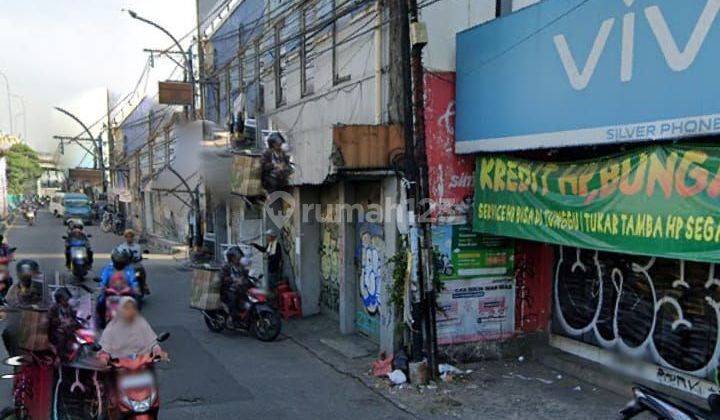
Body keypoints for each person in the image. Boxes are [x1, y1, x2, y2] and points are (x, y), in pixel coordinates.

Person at [98, 297, 165, 360]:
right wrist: (104, 356)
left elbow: (151, 342)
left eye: (132, 308)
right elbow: (105, 347)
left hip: (141, 361)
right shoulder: (112, 327)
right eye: (126, 308)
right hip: (119, 363)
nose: (130, 311)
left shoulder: (141, 324)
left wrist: (156, 349)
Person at [96, 249, 138, 328]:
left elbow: (133, 281)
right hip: (110, 293)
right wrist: (102, 287)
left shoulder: (129, 269)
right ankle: (102, 322)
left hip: (126, 294)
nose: (119, 264)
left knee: (136, 303)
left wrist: (135, 288)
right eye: (118, 262)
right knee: (100, 303)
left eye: (121, 262)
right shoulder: (108, 269)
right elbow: (103, 280)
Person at [47, 287, 80, 363]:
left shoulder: (69, 308)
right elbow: (50, 320)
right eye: (65, 300)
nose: (67, 301)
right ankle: (59, 357)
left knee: (76, 339)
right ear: (60, 300)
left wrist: (73, 323)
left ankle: (72, 356)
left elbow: (74, 319)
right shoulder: (54, 308)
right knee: (61, 339)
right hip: (57, 331)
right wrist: (62, 321)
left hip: (68, 330)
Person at [219, 246, 250, 325]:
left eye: (239, 256)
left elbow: (245, 275)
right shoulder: (226, 266)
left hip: (239, 288)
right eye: (236, 257)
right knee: (233, 299)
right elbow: (222, 278)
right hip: (228, 289)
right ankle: (233, 318)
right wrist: (234, 280)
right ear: (231, 258)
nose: (238, 258)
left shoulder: (240, 266)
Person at [116, 229, 149, 295]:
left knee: (142, 270)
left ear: (133, 237)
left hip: (135, 264)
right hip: (125, 264)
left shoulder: (137, 246)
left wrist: (138, 258)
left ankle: (144, 284)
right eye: (127, 237)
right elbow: (118, 255)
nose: (129, 238)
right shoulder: (121, 247)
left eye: (131, 237)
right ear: (125, 237)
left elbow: (139, 256)